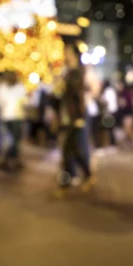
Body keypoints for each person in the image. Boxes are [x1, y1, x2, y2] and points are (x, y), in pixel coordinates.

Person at [51, 45, 94, 197]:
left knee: (74, 150)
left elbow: (79, 97)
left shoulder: (78, 73)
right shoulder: (67, 73)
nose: (65, 56)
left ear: (75, 55)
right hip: (67, 117)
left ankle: (70, 183)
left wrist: (79, 117)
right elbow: (58, 96)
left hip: (76, 117)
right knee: (70, 151)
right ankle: (78, 179)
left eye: (68, 53)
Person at [0, 71, 27, 173]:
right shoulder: (20, 87)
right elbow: (24, 101)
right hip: (16, 116)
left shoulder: (2, 87)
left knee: (10, 140)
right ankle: (11, 160)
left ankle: (8, 160)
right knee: (14, 140)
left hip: (7, 116)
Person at [116, 80, 133, 147]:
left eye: (119, 85)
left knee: (128, 128)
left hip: (128, 112)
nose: (118, 87)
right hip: (124, 113)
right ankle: (129, 142)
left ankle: (131, 141)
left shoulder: (126, 93)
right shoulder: (120, 93)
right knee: (126, 128)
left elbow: (125, 104)